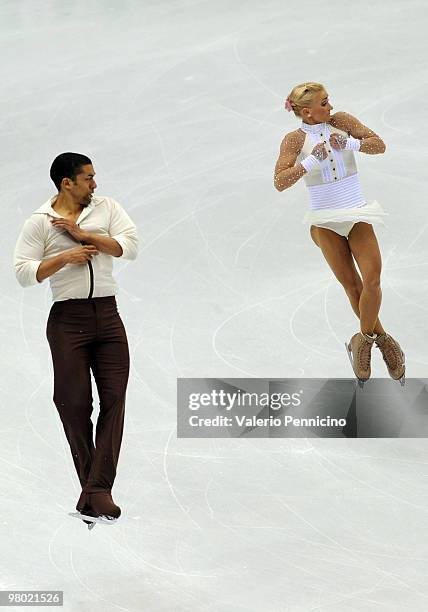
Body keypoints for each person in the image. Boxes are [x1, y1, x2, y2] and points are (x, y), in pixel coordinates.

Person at [13, 152, 138, 520]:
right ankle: (94, 490)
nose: (95, 184)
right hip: (68, 320)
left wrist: (86, 236)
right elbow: (23, 272)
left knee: (115, 397)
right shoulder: (40, 222)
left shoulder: (107, 208)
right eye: (88, 178)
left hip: (108, 317)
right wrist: (64, 259)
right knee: (73, 403)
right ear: (67, 183)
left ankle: (96, 491)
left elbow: (128, 247)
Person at [274, 82, 405, 385]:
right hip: (324, 220)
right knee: (354, 287)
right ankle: (381, 339)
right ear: (307, 112)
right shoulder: (294, 140)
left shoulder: (342, 122)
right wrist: (309, 161)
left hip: (356, 212)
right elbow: (280, 181)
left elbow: (379, 144)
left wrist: (351, 144)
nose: (330, 107)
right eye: (324, 103)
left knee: (372, 280)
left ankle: (362, 339)